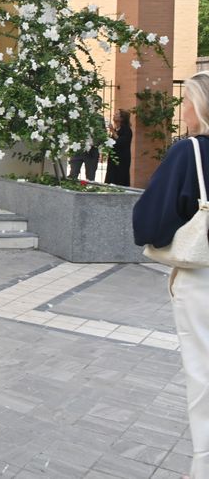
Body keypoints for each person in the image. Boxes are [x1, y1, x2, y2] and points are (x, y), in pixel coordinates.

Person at [134, 72, 209, 478]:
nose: (183, 112)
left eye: (187, 103)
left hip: (203, 281)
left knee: (204, 374)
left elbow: (150, 221)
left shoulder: (191, 152)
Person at [105, 109, 133, 186]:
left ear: (122, 118)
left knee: (120, 177)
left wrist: (112, 131)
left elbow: (121, 141)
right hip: (113, 156)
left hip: (122, 158)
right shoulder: (115, 129)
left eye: (117, 114)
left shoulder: (126, 130)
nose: (114, 115)